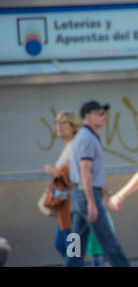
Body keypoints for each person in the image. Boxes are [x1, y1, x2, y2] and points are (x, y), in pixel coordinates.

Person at [64, 100, 130, 267]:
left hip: (81, 195)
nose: (104, 116)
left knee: (76, 246)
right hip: (87, 196)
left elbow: (86, 173)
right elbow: (85, 172)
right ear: (88, 116)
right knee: (109, 242)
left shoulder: (84, 137)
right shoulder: (87, 138)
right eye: (100, 113)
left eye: (104, 113)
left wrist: (105, 190)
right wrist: (92, 202)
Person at [43, 111, 81, 261]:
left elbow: (75, 175)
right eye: (57, 123)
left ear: (73, 126)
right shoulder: (68, 147)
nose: (59, 126)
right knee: (62, 244)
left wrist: (54, 171)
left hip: (73, 207)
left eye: (63, 123)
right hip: (65, 209)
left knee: (73, 250)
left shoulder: (74, 147)